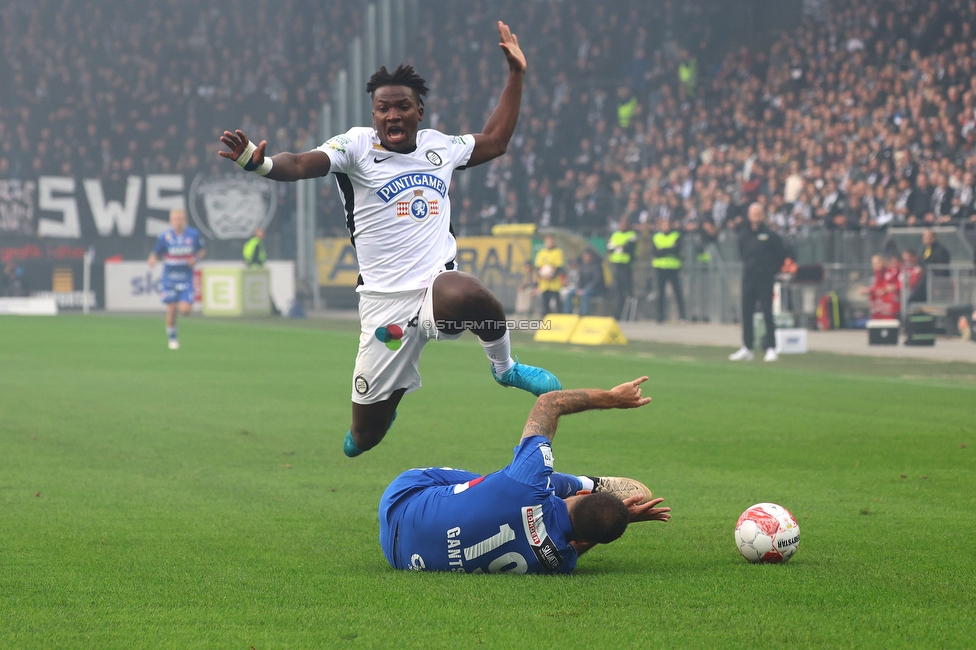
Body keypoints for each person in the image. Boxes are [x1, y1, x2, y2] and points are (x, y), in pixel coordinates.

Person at [218, 22, 560, 458]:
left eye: (402, 106)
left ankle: (505, 367)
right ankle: (383, 407)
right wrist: (257, 162)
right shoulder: (356, 147)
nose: (392, 115)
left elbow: (495, 141)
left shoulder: (440, 148)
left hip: (436, 289)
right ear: (373, 114)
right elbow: (301, 163)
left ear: (420, 111)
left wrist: (516, 75)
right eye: (383, 108)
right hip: (383, 302)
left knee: (470, 291)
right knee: (363, 440)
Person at [378, 376, 671, 573]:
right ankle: (593, 493)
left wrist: (611, 398)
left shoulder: (528, 482)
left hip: (402, 499)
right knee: (505, 496)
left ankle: (587, 482)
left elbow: (549, 403)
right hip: (403, 559)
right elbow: (579, 542)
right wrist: (616, 520)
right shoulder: (560, 562)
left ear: (581, 497)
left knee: (514, 485)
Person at [730, 202, 785, 362]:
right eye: (753, 213)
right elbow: (742, 254)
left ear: (763, 215)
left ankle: (771, 347)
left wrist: (770, 271)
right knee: (747, 313)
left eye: (758, 213)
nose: (755, 216)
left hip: (765, 279)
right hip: (748, 278)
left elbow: (779, 255)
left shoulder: (771, 235)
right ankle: (747, 347)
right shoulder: (744, 235)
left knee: (767, 313)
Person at [147, 208, 206, 350]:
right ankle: (172, 339)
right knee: (171, 310)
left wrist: (196, 258)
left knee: (185, 310)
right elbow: (156, 252)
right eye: (175, 219)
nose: (178, 221)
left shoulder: (193, 234)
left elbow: (202, 250)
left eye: (180, 219)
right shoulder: (165, 236)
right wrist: (153, 259)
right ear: (171, 221)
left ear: (185, 220)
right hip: (169, 278)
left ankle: (179, 313)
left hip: (186, 277)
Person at [651, 218, 686, 323]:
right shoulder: (657, 237)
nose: (665, 227)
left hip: (673, 268)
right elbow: (655, 252)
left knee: (677, 292)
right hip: (660, 268)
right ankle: (660, 316)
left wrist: (663, 250)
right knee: (660, 293)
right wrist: (669, 249)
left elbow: (677, 250)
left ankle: (682, 315)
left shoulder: (676, 235)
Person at [607, 216, 637, 319]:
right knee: (618, 291)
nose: (623, 225)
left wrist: (618, 247)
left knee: (627, 291)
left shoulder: (631, 235)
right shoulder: (615, 235)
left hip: (626, 266)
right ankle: (618, 314)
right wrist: (621, 247)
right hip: (617, 265)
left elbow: (629, 248)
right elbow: (610, 248)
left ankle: (630, 315)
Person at [565, 249, 605, 315]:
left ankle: (585, 314)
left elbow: (596, 281)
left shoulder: (596, 267)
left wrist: (585, 289)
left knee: (585, 294)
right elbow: (580, 280)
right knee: (570, 293)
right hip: (583, 288)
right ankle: (567, 313)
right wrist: (579, 289)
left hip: (595, 289)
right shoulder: (582, 266)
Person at [535, 234, 565, 314]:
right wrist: (543, 275)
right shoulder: (541, 253)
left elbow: (559, 267)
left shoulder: (558, 252)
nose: (549, 242)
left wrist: (551, 275)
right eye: (547, 241)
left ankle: (559, 319)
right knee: (545, 304)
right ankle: (546, 320)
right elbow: (538, 267)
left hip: (554, 284)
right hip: (544, 284)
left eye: (551, 241)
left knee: (557, 303)